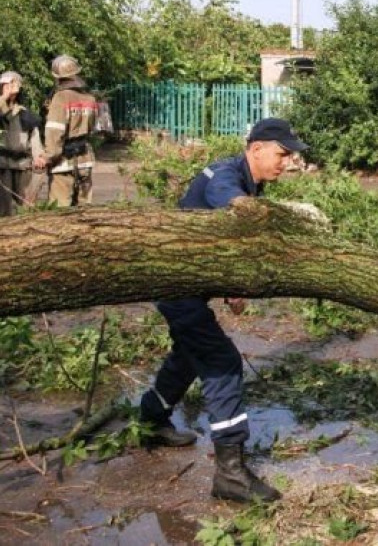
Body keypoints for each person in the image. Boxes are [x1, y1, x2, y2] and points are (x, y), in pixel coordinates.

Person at [139, 117, 308, 503]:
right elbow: (230, 202)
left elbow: (225, 238)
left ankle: (151, 419)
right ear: (256, 149)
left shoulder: (252, 182)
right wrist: (257, 213)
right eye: (282, 155)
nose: (286, 163)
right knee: (222, 362)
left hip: (188, 284)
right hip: (175, 284)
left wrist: (233, 286)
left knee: (189, 355)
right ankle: (231, 472)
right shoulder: (225, 175)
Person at [43, 55, 98, 207]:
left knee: (60, 212)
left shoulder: (60, 97)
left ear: (57, 77)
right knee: (84, 211)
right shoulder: (90, 98)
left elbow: (55, 131)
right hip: (85, 160)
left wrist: (47, 157)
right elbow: (92, 129)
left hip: (63, 163)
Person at [0, 71, 46, 215]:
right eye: (5, 85)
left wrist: (39, 156)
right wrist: (3, 97)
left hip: (22, 164)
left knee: (25, 207)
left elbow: (34, 138)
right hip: (3, 165)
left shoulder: (24, 114)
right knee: (4, 209)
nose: (9, 88)